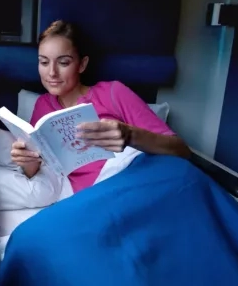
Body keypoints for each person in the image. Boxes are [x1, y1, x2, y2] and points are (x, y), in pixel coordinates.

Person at [10, 20, 191, 193]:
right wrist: (26, 161)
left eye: (63, 62)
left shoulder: (113, 93)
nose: (52, 73)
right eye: (44, 62)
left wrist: (130, 135)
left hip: (136, 180)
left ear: (82, 64)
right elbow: (39, 170)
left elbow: (181, 150)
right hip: (91, 196)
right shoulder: (43, 106)